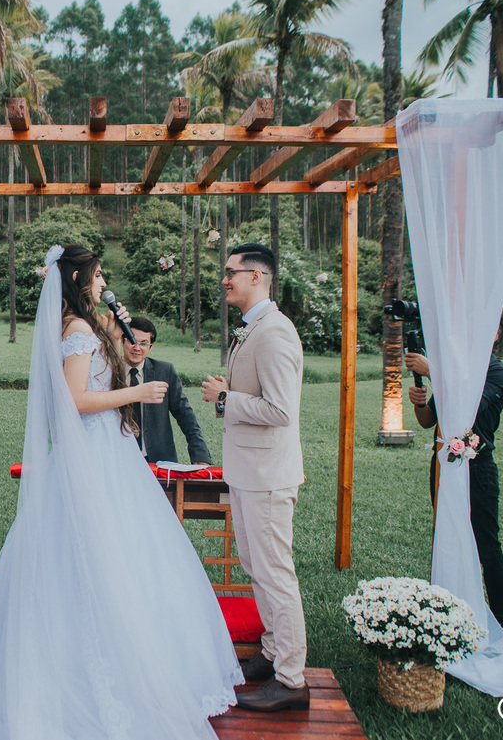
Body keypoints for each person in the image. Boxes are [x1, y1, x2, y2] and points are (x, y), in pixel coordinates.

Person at [0, 245, 241, 740]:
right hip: (94, 457)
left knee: (108, 558)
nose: (102, 281)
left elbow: (88, 375)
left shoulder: (78, 327)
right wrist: (136, 392)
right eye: (96, 275)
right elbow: (76, 400)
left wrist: (118, 337)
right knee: (102, 559)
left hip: (105, 453)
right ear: (77, 278)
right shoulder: (77, 330)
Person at [201, 243, 308, 711]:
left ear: (257, 277)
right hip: (248, 471)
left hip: (267, 475)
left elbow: (281, 410)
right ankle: (270, 653)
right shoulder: (252, 329)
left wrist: (225, 400)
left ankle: (290, 680)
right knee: (256, 571)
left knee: (275, 574)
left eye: (231, 273)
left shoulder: (275, 333)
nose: (224, 280)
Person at [406, 316, 503, 627]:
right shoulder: (456, 372)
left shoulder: (498, 373)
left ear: (495, 336)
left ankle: (499, 622)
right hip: (442, 466)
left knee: (486, 546)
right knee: (446, 539)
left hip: (477, 468)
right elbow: (429, 421)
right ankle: (449, 614)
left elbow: (471, 405)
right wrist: (419, 403)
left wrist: (434, 372)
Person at [122, 315, 211, 465]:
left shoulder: (164, 371)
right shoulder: (109, 372)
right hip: (119, 458)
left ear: (152, 345)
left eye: (144, 343)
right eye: (132, 340)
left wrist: (200, 454)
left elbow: (185, 415)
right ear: (122, 340)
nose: (137, 347)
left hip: (159, 460)